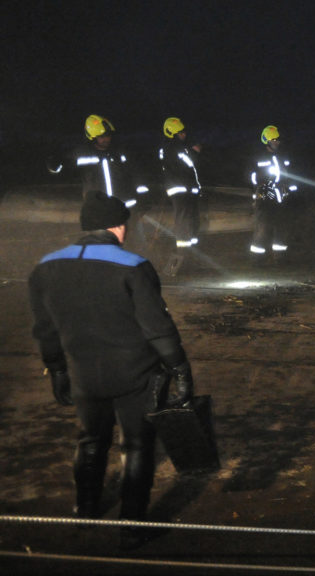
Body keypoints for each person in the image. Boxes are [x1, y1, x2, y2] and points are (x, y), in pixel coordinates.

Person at [28, 192, 195, 550]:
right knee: (136, 445)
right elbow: (156, 326)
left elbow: (45, 329)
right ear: (119, 226)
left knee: (91, 439)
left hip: (83, 373)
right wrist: (178, 365)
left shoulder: (46, 266)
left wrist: (56, 368)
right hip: (134, 374)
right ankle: (132, 526)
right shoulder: (133, 265)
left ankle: (85, 509)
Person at [47, 115, 153, 247]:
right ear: (92, 138)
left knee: (136, 243)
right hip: (98, 211)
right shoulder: (82, 154)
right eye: (101, 137)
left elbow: (137, 174)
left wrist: (143, 196)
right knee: (98, 245)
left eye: (108, 135)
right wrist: (54, 163)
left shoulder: (120, 153)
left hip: (125, 209)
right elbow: (61, 169)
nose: (106, 139)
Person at [158, 117, 203, 273]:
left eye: (184, 132)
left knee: (192, 222)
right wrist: (194, 151)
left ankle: (191, 255)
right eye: (180, 133)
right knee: (184, 222)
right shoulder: (173, 148)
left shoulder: (178, 147)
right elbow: (189, 163)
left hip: (188, 189)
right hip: (180, 190)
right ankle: (183, 255)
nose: (184, 135)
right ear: (172, 133)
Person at [249, 125, 298, 261]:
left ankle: (280, 257)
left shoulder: (282, 157)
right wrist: (263, 187)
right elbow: (253, 177)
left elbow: (290, 176)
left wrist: (290, 191)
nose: (277, 142)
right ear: (267, 140)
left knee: (281, 227)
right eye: (274, 139)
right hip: (264, 196)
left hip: (281, 196)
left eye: (278, 140)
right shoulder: (259, 157)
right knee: (263, 227)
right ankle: (257, 259)